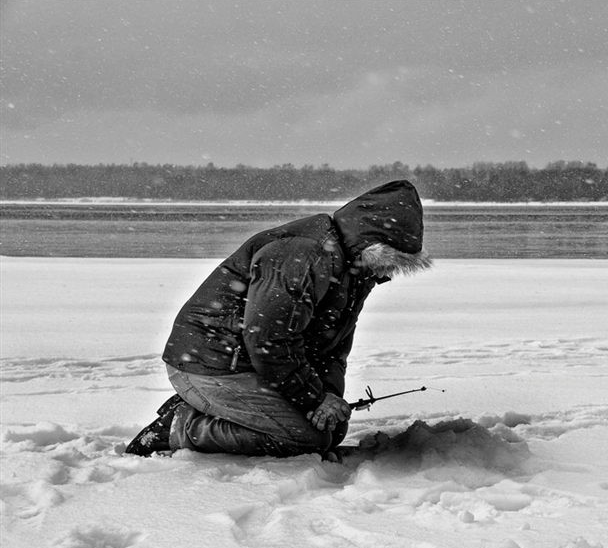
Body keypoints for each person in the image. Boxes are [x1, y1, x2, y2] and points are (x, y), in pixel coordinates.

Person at [126, 180, 431, 458]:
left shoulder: (355, 269)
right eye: (388, 261)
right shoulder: (303, 254)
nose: (385, 273)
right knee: (304, 439)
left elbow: (333, 346)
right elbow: (268, 339)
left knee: (330, 431)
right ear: (372, 245)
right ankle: (181, 425)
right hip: (212, 363)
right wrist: (313, 400)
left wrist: (328, 398)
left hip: (252, 366)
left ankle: (217, 410)